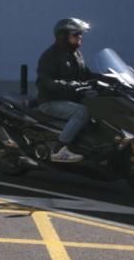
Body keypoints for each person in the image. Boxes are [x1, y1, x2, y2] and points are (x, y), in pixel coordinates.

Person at [36, 17, 93, 163]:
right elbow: (45, 81)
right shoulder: (50, 55)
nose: (80, 37)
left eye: (81, 34)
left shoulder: (76, 54)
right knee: (82, 112)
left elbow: (87, 74)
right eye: (76, 34)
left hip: (71, 98)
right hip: (51, 101)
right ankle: (59, 149)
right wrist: (66, 84)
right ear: (63, 36)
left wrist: (110, 78)